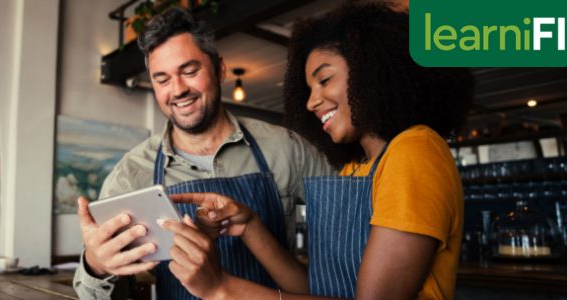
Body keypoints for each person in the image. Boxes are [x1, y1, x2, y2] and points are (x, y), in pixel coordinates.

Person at [160, 2, 473, 299]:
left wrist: (221, 289)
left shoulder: (414, 151)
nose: (311, 102)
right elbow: (319, 290)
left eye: (324, 79)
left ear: (372, 70)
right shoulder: (357, 169)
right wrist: (250, 225)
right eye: (309, 90)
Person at [72, 7, 333, 300]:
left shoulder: (287, 148)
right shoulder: (131, 174)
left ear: (220, 69)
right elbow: (93, 294)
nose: (178, 89)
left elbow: (344, 250)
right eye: (162, 79)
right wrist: (95, 266)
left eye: (190, 71)